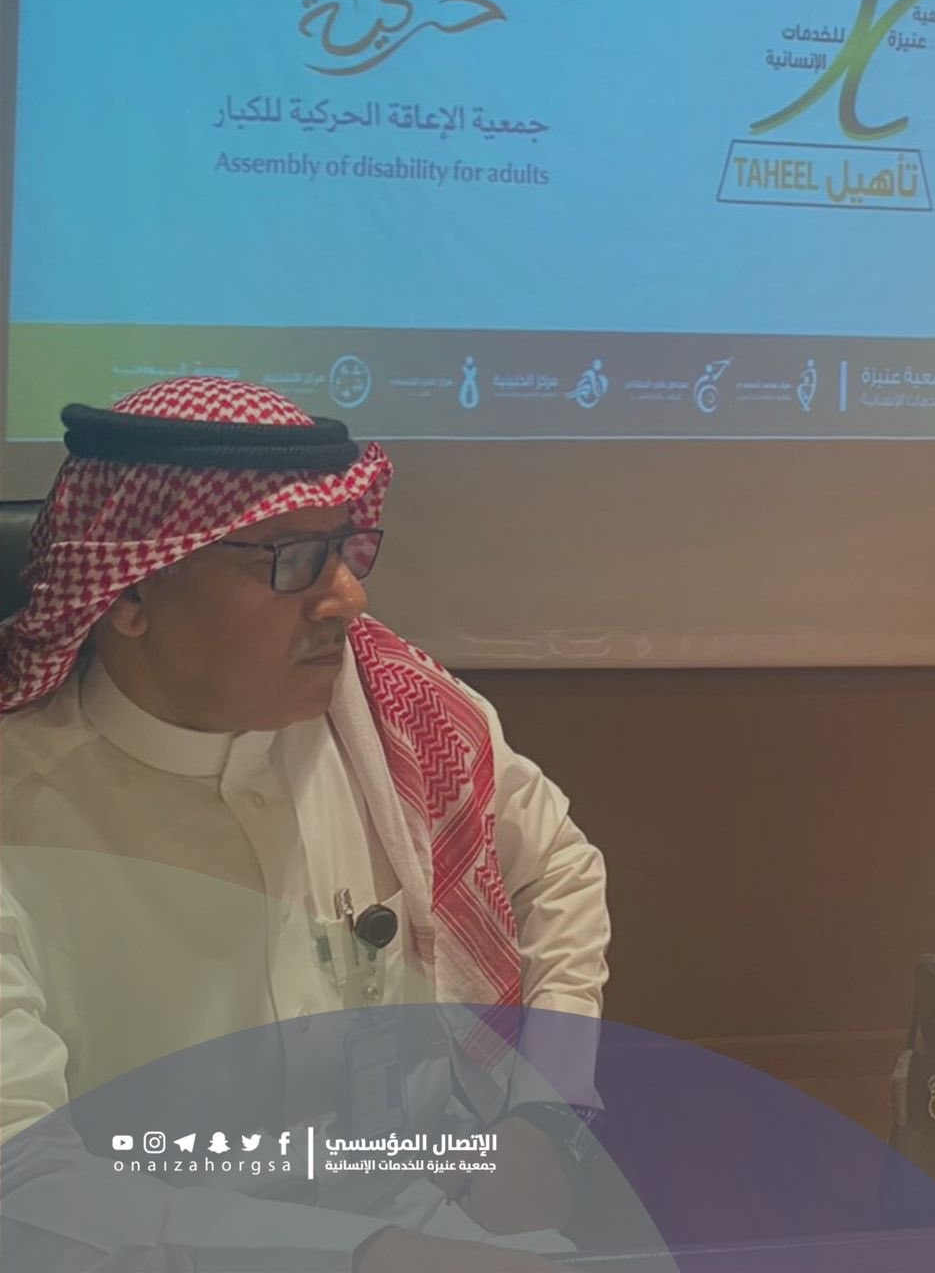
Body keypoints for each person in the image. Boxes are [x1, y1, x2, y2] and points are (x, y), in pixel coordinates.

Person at [0, 377, 610, 1270]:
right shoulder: (19, 810)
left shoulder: (386, 714)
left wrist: (546, 1113)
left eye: (345, 551)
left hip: (436, 1216)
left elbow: (557, 864)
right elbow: (24, 1188)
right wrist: (367, 1255)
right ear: (130, 595)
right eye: (290, 560)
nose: (346, 599)